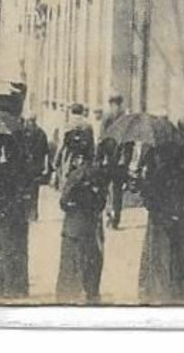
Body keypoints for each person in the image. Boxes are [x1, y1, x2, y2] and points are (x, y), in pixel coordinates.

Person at [137, 139, 184, 304]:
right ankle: (180, 291)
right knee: (180, 259)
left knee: (159, 258)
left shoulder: (157, 173)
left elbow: (148, 199)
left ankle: (158, 292)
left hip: (159, 224)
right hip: (178, 220)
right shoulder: (182, 172)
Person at [56, 125, 106, 304]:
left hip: (73, 228)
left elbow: (63, 202)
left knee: (72, 265)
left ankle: (71, 296)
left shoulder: (75, 175)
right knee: (92, 260)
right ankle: (92, 293)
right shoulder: (98, 172)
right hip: (91, 226)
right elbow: (101, 202)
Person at [0, 134, 33, 299]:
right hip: (19, 211)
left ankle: (1, 286)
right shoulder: (26, 168)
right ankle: (19, 287)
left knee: (2, 247)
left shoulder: (0, 169)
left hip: (3, 211)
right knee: (19, 248)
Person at [100, 95, 128, 228]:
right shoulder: (124, 118)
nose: (115, 107)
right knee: (116, 190)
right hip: (119, 159)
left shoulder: (108, 117)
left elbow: (102, 138)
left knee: (108, 188)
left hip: (110, 158)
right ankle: (115, 216)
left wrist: (99, 158)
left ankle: (111, 214)